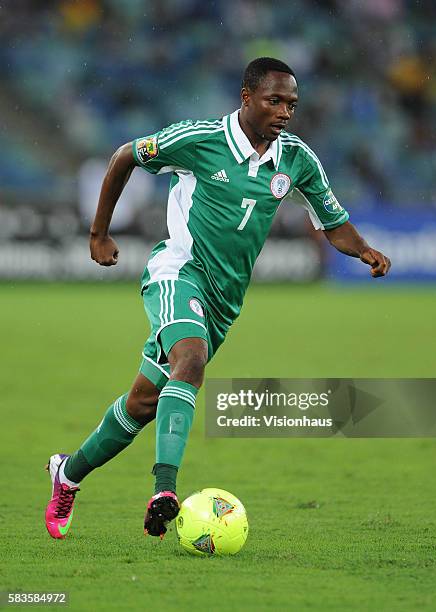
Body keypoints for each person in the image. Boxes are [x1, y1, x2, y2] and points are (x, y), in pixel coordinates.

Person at [45, 57, 391, 540]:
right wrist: (99, 232)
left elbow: (332, 223)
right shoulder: (199, 140)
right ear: (246, 97)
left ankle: (68, 473)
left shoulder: (296, 159)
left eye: (292, 103)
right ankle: (164, 490)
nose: (285, 111)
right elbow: (125, 155)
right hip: (178, 270)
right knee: (191, 359)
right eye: (274, 100)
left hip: (225, 300)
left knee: (144, 402)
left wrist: (365, 250)